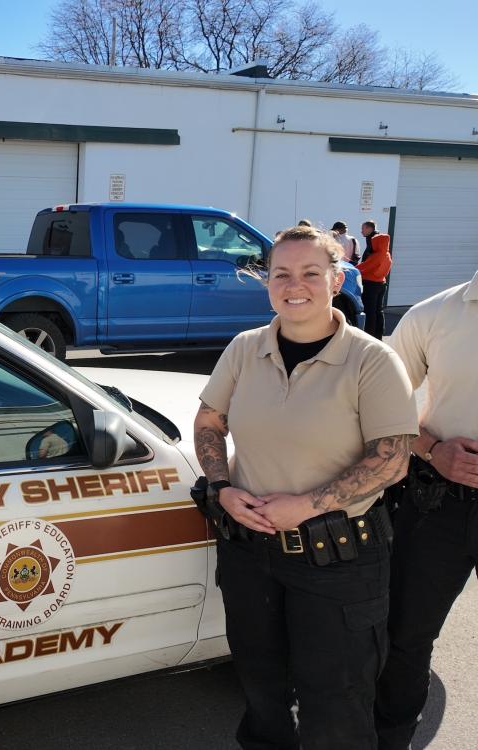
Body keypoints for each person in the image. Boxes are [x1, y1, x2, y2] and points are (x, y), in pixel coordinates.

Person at [193, 225, 417, 749]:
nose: (296, 285)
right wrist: (222, 486)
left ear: (337, 280)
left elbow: (393, 460)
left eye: (311, 273)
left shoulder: (372, 360)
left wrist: (309, 505)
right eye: (282, 274)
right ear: (267, 283)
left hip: (339, 560)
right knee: (261, 691)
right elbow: (209, 419)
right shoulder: (246, 349)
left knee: (336, 704)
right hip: (250, 553)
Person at [374, 269, 478, 750]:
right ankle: (391, 739)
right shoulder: (433, 316)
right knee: (405, 636)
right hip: (439, 503)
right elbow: (378, 408)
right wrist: (434, 449)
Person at [358, 220, 392, 339]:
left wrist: (351, 268)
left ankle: (370, 335)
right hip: (382, 283)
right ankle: (378, 335)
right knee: (379, 310)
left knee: (370, 311)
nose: (372, 243)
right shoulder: (386, 254)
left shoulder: (376, 255)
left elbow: (364, 267)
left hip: (371, 285)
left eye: (374, 241)